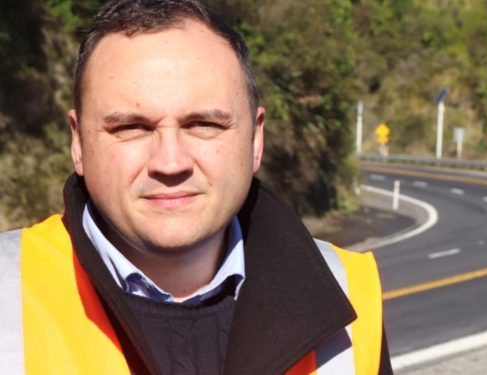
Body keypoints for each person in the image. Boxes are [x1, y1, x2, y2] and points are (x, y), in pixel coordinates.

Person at [0, 0, 392, 374]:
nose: (170, 163)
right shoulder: (9, 290)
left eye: (204, 125)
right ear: (78, 143)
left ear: (256, 140)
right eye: (131, 128)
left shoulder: (348, 294)